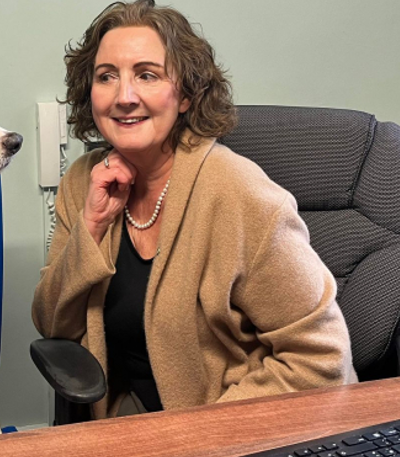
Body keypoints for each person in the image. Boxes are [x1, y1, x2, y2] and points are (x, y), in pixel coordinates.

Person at [32, 0, 357, 420]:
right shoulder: (83, 180)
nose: (124, 97)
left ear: (185, 95)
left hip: (237, 422)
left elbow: (322, 358)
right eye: (106, 77)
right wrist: (90, 227)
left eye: (147, 75)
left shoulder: (240, 194)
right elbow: (51, 324)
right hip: (131, 418)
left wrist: (199, 436)